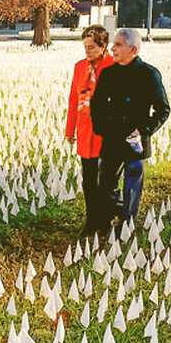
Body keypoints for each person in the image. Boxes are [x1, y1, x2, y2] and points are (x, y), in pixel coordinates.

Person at [89, 27, 170, 238]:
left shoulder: (149, 74)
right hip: (112, 139)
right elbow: (97, 105)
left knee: (132, 188)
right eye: (113, 44)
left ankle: (126, 228)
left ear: (132, 49)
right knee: (106, 184)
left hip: (136, 143)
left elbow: (163, 109)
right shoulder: (108, 73)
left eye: (118, 45)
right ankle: (109, 217)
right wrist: (101, 128)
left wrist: (143, 132)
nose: (112, 48)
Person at [65, 25, 114, 238]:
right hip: (85, 132)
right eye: (85, 47)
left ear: (103, 47)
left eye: (92, 47)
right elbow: (73, 99)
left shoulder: (113, 66)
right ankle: (91, 220)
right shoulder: (79, 67)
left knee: (106, 181)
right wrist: (70, 129)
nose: (88, 51)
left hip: (106, 131)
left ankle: (105, 220)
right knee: (88, 180)